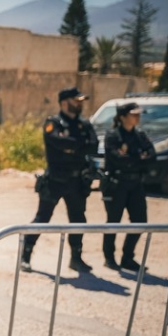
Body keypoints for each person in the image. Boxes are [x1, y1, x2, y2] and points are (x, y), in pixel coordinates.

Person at [20, 87, 99, 273]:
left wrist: (71, 146)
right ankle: (26, 255)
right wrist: (78, 145)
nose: (80, 104)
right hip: (55, 180)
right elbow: (57, 141)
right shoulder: (53, 123)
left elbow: (93, 146)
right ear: (64, 103)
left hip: (77, 181)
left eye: (80, 101)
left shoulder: (84, 124)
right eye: (76, 101)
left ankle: (76, 258)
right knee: (43, 217)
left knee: (78, 219)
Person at [101, 102, 156, 272]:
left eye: (139, 114)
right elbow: (118, 159)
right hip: (117, 184)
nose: (137, 117)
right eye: (134, 114)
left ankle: (127, 257)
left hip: (135, 184)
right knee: (113, 221)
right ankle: (109, 257)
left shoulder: (140, 135)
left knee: (140, 221)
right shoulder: (113, 135)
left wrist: (133, 159)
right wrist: (139, 158)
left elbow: (152, 155)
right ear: (123, 117)